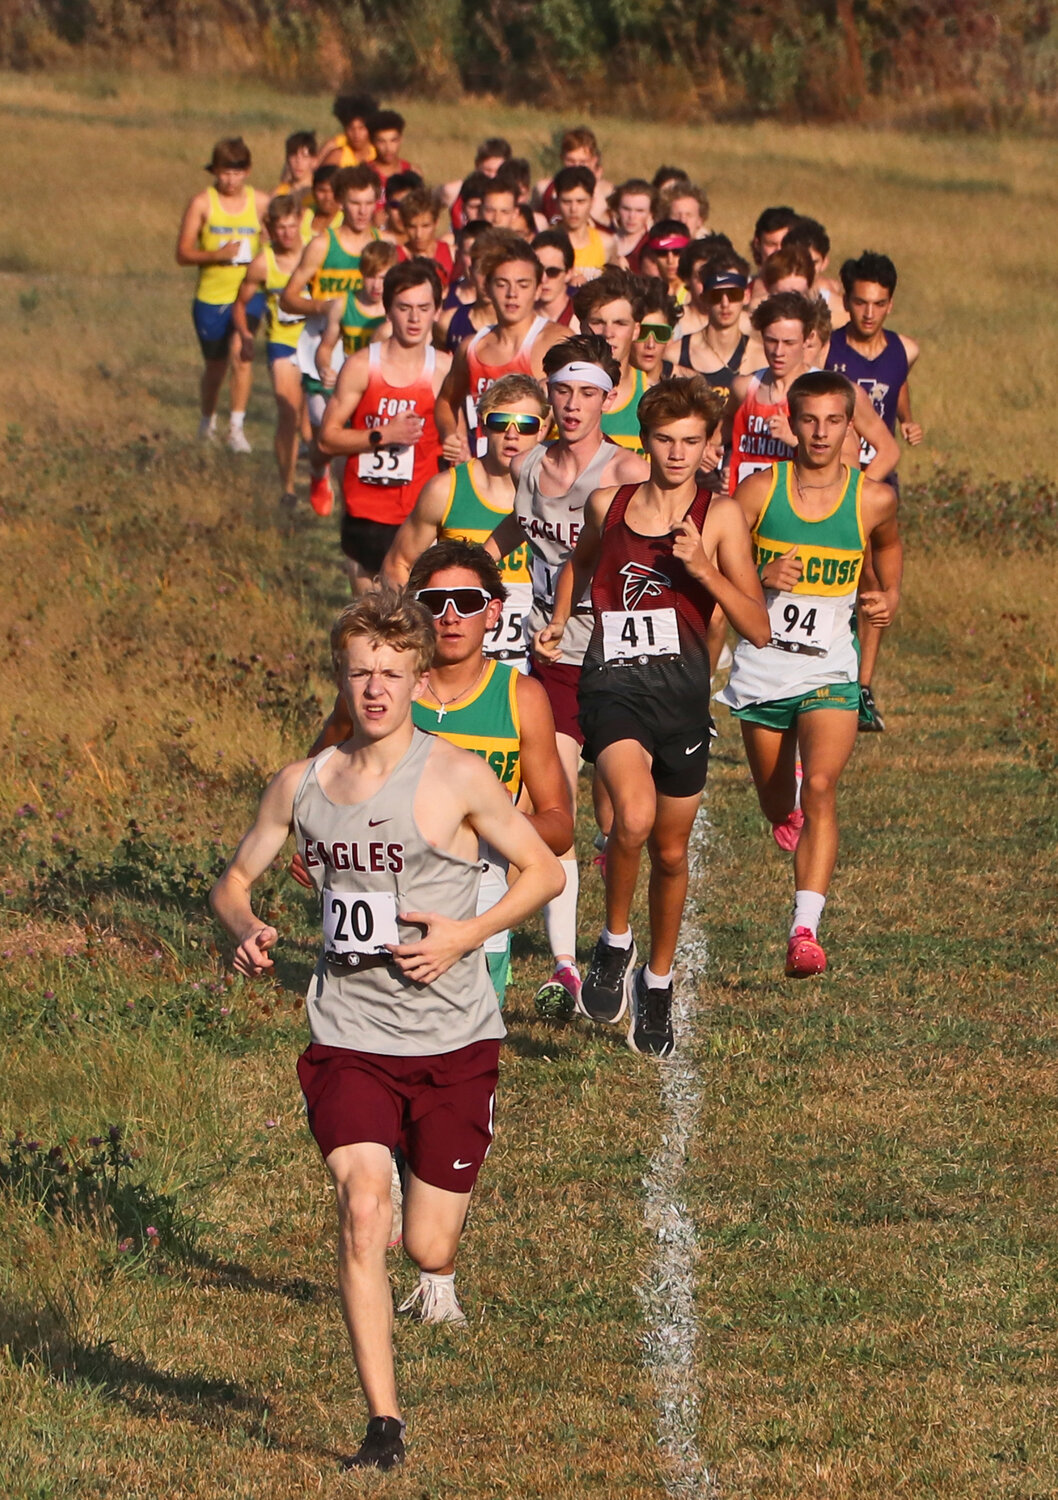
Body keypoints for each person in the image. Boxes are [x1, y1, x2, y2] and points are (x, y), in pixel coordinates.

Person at [210, 589, 563, 1472]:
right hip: (349, 1031)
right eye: (359, 672)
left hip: (451, 1038)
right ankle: (384, 1424)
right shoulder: (302, 783)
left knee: (428, 1244)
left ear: (415, 678)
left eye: (390, 673)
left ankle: (423, 1199)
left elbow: (545, 872)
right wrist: (244, 923)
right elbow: (232, 880)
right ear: (341, 677)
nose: (374, 689)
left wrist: (464, 936)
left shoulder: (454, 777)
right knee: (364, 1210)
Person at [536, 377, 769, 1053]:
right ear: (647, 437)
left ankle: (656, 984)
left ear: (708, 445)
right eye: (665, 439)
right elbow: (581, 564)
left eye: (692, 441)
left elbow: (755, 625)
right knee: (630, 817)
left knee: (670, 852)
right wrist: (558, 621)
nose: (677, 453)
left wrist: (705, 569)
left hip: (682, 702)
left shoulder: (719, 516)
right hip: (613, 688)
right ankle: (613, 943)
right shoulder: (609, 505)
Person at [484, 335, 649, 1016]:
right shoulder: (530, 468)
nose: (574, 405)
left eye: (588, 393)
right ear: (546, 393)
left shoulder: (629, 471)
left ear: (611, 397)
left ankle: (619, 939)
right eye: (562, 391)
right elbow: (518, 533)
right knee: (548, 811)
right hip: (553, 664)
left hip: (622, 663)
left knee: (631, 820)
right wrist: (467, 570)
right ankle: (566, 965)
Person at [716, 370, 901, 977]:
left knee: (822, 787)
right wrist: (760, 578)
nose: (820, 433)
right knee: (777, 804)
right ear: (790, 423)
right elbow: (720, 565)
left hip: (829, 670)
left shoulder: (871, 498)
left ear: (851, 426)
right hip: (763, 671)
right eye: (809, 420)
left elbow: (889, 548)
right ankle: (785, 801)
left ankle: (804, 931)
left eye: (833, 421)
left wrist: (887, 596)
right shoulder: (758, 493)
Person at [382, 375, 547, 668]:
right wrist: (415, 627)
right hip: (453, 659)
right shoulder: (445, 490)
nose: (512, 434)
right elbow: (398, 564)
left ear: (543, 429)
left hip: (534, 658)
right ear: (482, 425)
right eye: (500, 422)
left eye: (525, 425)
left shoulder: (555, 496)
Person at [825, 250, 922, 731]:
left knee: (876, 586)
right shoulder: (826, 348)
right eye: (861, 302)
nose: (869, 313)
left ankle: (862, 687)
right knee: (843, 578)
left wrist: (906, 419)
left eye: (879, 304)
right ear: (846, 301)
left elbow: (897, 385)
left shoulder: (904, 349)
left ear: (890, 303)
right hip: (829, 482)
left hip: (878, 480)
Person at [319, 260, 450, 593]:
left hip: (419, 513)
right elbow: (327, 439)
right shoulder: (363, 365)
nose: (414, 318)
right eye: (404, 308)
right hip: (366, 510)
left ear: (436, 311)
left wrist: (456, 445)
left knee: (412, 618)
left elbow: (460, 436)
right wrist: (383, 435)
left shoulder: (445, 369)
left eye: (423, 308)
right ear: (388, 311)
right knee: (370, 619)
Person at [280, 164, 382, 516]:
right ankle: (318, 469)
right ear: (341, 202)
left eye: (369, 202)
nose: (362, 210)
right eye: (355, 202)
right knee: (326, 436)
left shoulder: (382, 246)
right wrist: (322, 306)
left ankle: (356, 502)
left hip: (367, 351)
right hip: (322, 351)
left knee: (358, 433)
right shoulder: (324, 245)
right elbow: (287, 297)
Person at [726, 292, 900, 496]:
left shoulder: (833, 393)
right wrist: (717, 460)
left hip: (803, 513)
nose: (778, 351)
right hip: (748, 511)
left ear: (807, 339)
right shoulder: (744, 387)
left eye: (789, 343)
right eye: (771, 341)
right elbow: (721, 432)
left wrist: (859, 498)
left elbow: (877, 454)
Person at [176, 137, 271, 451]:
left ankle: (236, 428)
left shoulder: (260, 203)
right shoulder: (202, 204)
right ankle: (207, 421)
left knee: (241, 354)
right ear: (214, 171)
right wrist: (217, 254)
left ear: (248, 171)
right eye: (224, 172)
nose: (231, 180)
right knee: (215, 366)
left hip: (247, 294)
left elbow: (279, 240)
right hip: (211, 295)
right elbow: (183, 253)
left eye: (238, 172)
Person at [436, 238, 565, 461]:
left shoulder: (556, 342)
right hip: (484, 470)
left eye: (523, 285)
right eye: (502, 284)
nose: (512, 293)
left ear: (537, 289)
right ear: (486, 287)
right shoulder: (472, 346)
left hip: (536, 474)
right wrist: (452, 436)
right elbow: (446, 400)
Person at [231, 196, 307, 505]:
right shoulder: (264, 263)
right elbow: (240, 303)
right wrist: (246, 334)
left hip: (316, 343)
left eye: (292, 227)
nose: (288, 234)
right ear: (270, 229)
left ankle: (319, 476)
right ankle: (288, 488)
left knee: (317, 417)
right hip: (283, 343)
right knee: (287, 412)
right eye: (281, 229)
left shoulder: (314, 253)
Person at [573, 268, 649, 454]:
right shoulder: (557, 394)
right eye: (598, 322)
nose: (608, 334)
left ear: (637, 330)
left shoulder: (652, 394)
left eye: (620, 323)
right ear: (582, 326)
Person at [670, 252, 762, 392]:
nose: (725, 303)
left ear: (746, 296)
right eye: (716, 296)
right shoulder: (674, 355)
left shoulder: (760, 358)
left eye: (733, 294)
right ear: (704, 299)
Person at [314, 239, 398, 389]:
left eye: (383, 278)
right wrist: (324, 369)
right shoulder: (343, 304)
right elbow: (325, 347)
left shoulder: (399, 307)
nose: (376, 285)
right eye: (370, 276)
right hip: (352, 382)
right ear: (361, 274)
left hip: (386, 384)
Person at [535, 127, 614, 226]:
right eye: (571, 161)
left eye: (583, 162)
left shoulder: (608, 192)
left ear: (594, 161)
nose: (576, 167)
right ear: (562, 158)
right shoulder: (544, 189)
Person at [437, 220, 496, 351]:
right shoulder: (445, 301)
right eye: (470, 255)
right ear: (458, 255)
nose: (475, 263)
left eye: (484, 256)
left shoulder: (517, 315)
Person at [552, 166, 613, 280]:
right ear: (557, 203)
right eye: (566, 202)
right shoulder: (545, 242)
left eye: (581, 201)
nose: (573, 209)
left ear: (592, 202)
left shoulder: (606, 244)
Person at [397, 189, 455, 285]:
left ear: (436, 223)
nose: (418, 234)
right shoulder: (395, 258)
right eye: (412, 227)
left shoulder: (452, 254)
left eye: (425, 226)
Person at [748, 205, 798, 301]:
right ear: (757, 244)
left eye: (785, 244)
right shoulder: (741, 293)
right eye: (771, 244)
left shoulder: (814, 292)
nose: (779, 250)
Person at [638, 221, 692, 305]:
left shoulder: (696, 295)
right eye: (662, 253)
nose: (670, 260)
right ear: (653, 256)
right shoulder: (645, 295)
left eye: (677, 252)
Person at [319, 93, 379, 168]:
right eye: (351, 128)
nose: (356, 134)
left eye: (361, 128)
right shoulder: (337, 155)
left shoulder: (378, 153)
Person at [532, 229, 578, 328]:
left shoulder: (581, 319)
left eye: (552, 272)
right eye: (538, 271)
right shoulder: (517, 318)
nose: (544, 279)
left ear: (569, 273)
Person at [607, 179, 655, 272]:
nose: (632, 216)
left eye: (639, 211)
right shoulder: (601, 239)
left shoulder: (651, 246)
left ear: (650, 214)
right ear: (617, 209)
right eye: (626, 209)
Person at [368, 110, 416, 186]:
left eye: (393, 141)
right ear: (372, 141)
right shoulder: (365, 174)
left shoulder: (412, 171)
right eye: (381, 141)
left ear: (401, 140)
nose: (388, 148)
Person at [272, 130, 318, 198]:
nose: (298, 161)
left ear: (314, 161)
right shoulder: (278, 194)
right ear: (287, 159)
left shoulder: (319, 194)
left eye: (304, 156)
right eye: (293, 155)